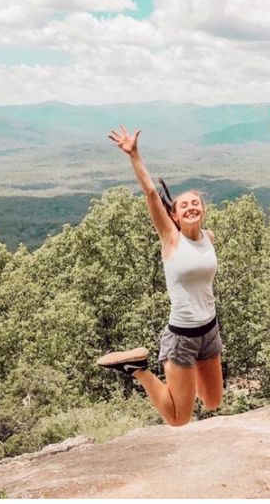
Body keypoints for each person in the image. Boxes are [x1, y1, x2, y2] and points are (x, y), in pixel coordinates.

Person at [95, 125, 223, 426]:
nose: (191, 207)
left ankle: (166, 376)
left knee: (213, 401)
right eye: (184, 205)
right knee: (179, 418)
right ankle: (139, 368)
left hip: (210, 330)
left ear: (203, 210)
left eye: (196, 203)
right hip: (183, 336)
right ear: (174, 216)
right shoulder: (171, 239)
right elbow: (152, 193)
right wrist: (134, 155)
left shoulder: (208, 237)